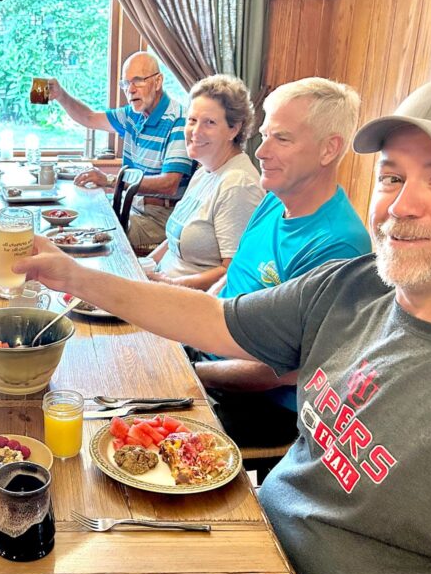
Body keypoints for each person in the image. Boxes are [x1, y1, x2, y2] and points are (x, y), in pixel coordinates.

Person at [16, 73, 431, 574]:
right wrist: (74, 276)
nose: (401, 206)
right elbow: (215, 318)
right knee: (96, 563)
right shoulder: (359, 283)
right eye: (393, 175)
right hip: (259, 543)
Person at [187, 77, 371, 447]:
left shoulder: (338, 244)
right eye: (265, 135)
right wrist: (189, 328)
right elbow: (233, 274)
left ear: (328, 149)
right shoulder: (275, 197)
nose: (261, 151)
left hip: (262, 404)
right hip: (209, 359)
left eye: (281, 139)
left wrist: (192, 373)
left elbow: (282, 371)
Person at [49, 51, 193, 249]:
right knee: (77, 217)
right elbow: (89, 118)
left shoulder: (179, 120)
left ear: (158, 81)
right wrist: (61, 96)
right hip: (132, 205)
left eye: (137, 81)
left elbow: (169, 184)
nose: (130, 90)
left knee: (94, 239)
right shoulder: (133, 114)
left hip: (159, 218)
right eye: (125, 84)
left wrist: (110, 181)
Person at [146, 74, 264, 289]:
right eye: (192, 120)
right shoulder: (204, 170)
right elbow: (174, 242)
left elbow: (233, 271)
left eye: (209, 122)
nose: (195, 132)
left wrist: (172, 284)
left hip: (189, 303)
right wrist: (142, 266)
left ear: (234, 129)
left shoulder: (238, 184)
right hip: (162, 287)